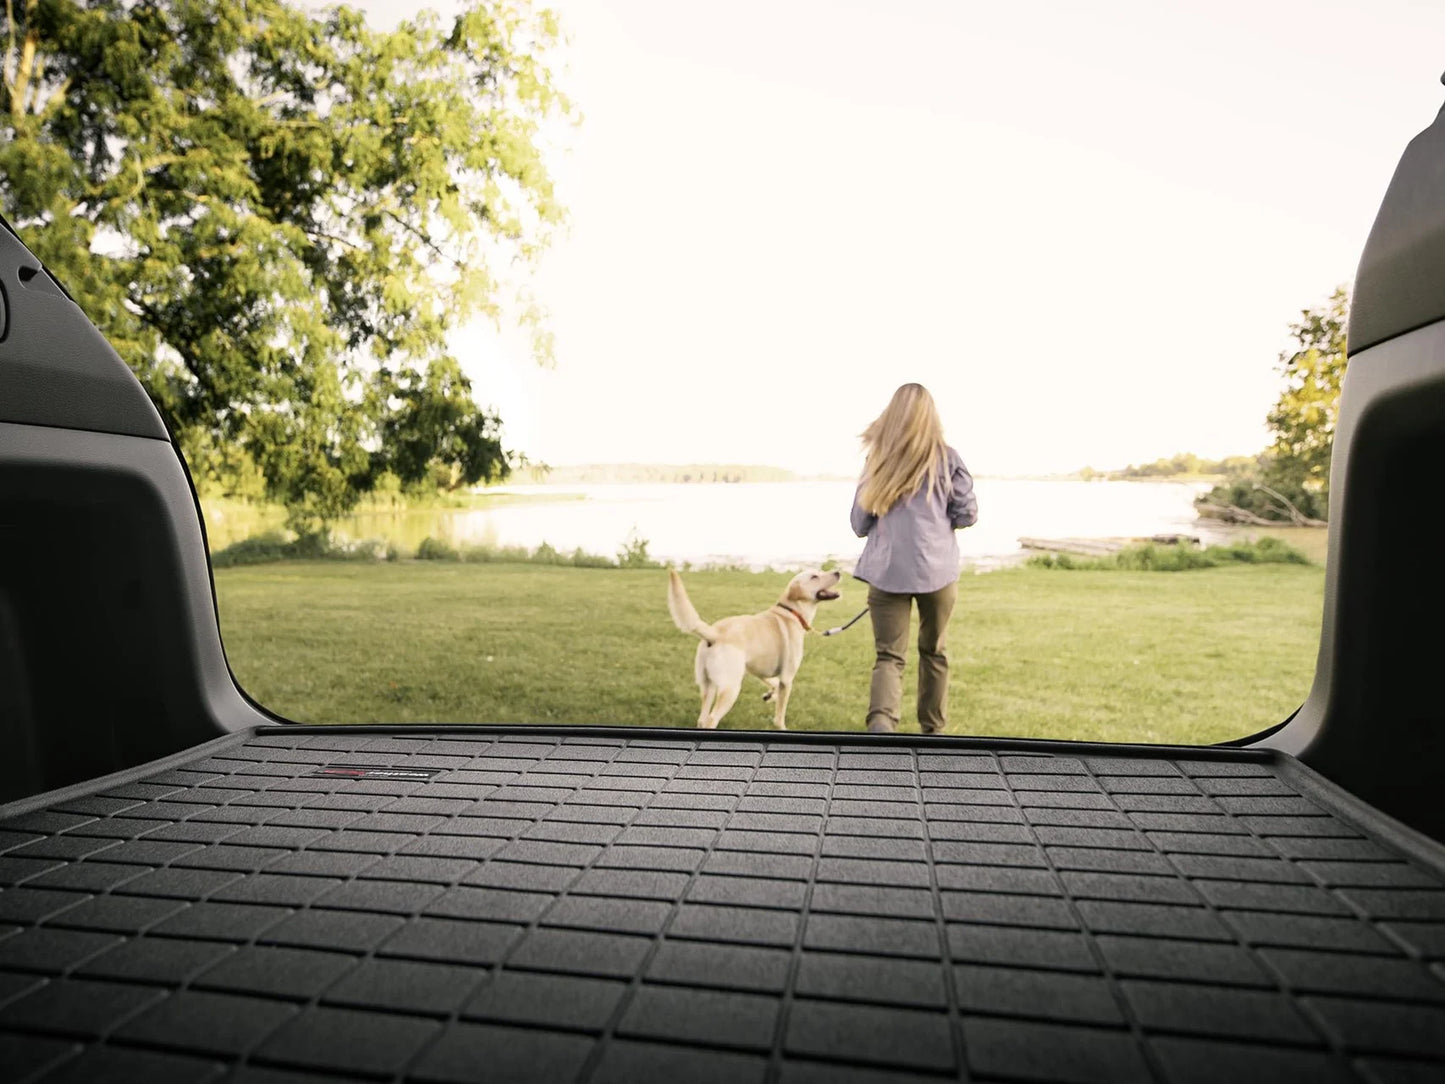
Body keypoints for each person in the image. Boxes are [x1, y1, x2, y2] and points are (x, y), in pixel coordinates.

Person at [849, 383, 978, 734]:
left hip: (887, 572)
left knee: (889, 657)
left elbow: (859, 524)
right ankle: (933, 732)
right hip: (938, 572)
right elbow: (967, 515)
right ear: (931, 416)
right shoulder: (949, 458)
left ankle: (881, 727)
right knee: (934, 651)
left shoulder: (878, 459)